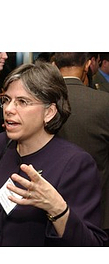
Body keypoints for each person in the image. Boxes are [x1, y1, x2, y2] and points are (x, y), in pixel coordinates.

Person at [0, 62, 107, 246]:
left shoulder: (76, 164)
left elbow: (92, 245)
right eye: (6, 100)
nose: (8, 109)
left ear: (49, 112)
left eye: (22, 102)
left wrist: (57, 209)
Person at [54, 52, 109, 243]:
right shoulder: (103, 102)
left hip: (48, 208)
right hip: (97, 209)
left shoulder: (42, 101)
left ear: (54, 64)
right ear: (87, 65)